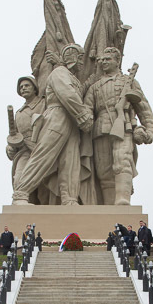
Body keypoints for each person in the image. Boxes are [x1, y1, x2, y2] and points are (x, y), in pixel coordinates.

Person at [11, 44, 93, 205]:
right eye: (80, 57)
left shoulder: (73, 77)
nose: (83, 62)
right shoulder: (59, 72)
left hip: (72, 121)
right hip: (58, 115)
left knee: (70, 160)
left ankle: (69, 198)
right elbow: (67, 94)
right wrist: (83, 114)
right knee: (43, 155)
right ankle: (21, 194)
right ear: (72, 57)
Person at [84, 47, 153, 205]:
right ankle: (110, 206)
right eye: (102, 60)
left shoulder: (128, 82)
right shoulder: (95, 87)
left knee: (122, 161)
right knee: (104, 170)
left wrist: (149, 130)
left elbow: (144, 109)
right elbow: (88, 108)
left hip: (123, 126)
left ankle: (122, 200)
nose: (104, 62)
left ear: (117, 61)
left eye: (108, 59)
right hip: (100, 128)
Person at [6, 76, 45, 202]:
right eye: (21, 87)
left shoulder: (44, 103)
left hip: (42, 146)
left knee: (44, 183)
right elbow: (14, 135)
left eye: (27, 85)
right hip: (24, 149)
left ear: (34, 88)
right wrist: (10, 148)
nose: (23, 88)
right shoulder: (18, 113)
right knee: (19, 177)